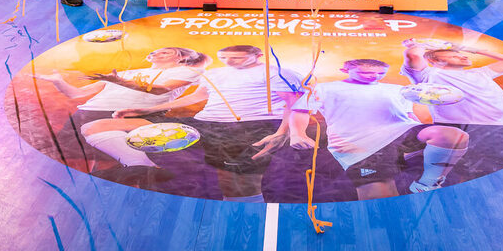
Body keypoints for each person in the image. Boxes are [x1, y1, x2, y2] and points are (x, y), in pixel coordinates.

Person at [122, 45, 305, 202]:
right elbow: (198, 96)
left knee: (244, 184)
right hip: (206, 123)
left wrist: (284, 132)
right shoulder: (215, 73)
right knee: (225, 180)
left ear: (258, 55)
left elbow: (295, 102)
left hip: (250, 126)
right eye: (224, 57)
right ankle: (136, 164)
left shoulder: (278, 73)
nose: (229, 61)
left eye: (237, 58)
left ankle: (249, 218)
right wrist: (147, 110)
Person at [283, 59, 470, 198]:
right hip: (361, 145)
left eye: (380, 73)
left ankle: (426, 184)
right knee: (382, 200)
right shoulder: (325, 88)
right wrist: (297, 134)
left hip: (400, 131)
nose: (373, 76)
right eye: (365, 73)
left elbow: (408, 115)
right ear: (345, 70)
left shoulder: (397, 89)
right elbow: (300, 110)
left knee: (454, 136)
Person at [38, 47, 208, 183]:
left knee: (114, 154)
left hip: (131, 114)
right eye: (156, 51)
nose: (157, 53)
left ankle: (146, 168)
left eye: (166, 52)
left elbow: (161, 89)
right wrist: (57, 81)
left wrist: (120, 81)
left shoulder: (187, 71)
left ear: (182, 57)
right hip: (87, 112)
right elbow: (75, 94)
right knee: (84, 157)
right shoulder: (126, 72)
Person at [400, 40, 503, 176]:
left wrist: (471, 49)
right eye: (454, 56)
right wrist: (421, 44)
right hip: (467, 127)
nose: (463, 56)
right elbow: (414, 55)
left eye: (462, 54)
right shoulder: (429, 74)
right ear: (435, 61)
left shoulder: (481, 72)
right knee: (472, 172)